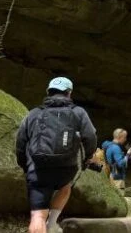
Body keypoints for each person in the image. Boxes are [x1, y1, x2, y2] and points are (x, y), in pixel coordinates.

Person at [16, 77, 97, 233]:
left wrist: (25, 166)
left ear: (48, 92)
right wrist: (88, 157)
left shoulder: (34, 114)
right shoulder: (78, 112)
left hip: (39, 168)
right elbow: (91, 136)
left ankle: (42, 223)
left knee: (38, 216)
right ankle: (52, 223)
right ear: (69, 93)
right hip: (67, 167)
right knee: (65, 187)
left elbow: (20, 141)